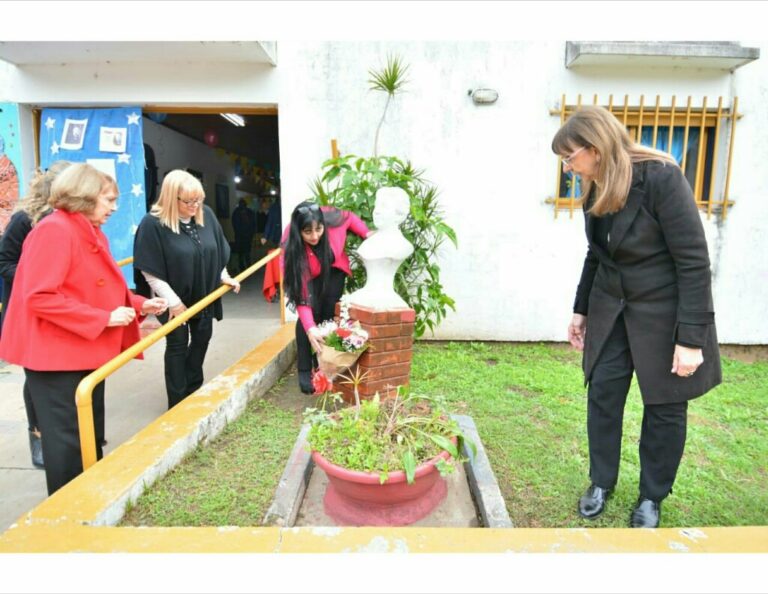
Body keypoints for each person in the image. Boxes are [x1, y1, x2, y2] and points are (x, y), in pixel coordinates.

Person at [552, 106, 722, 528]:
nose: (567, 166)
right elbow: (598, 255)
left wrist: (691, 339)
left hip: (664, 316)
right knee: (603, 395)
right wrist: (582, 308)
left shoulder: (662, 178)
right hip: (613, 310)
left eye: (569, 157)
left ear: (594, 148)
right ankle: (601, 481)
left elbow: (694, 262)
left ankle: (652, 497)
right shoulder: (594, 187)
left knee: (664, 408)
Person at [0, 163, 168, 495]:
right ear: (84, 196)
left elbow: (92, 287)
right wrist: (102, 319)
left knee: (89, 433)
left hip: (79, 350)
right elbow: (40, 297)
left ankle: (89, 496)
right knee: (66, 444)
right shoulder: (54, 230)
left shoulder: (85, 229)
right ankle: (69, 510)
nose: (114, 207)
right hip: (55, 357)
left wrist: (137, 304)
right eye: (108, 199)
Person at [133, 170, 240, 410]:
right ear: (172, 198)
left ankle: (194, 388)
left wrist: (224, 277)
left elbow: (215, 252)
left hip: (203, 292)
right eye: (188, 202)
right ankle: (177, 400)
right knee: (178, 344)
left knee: (203, 336)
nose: (195, 206)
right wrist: (173, 301)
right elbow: (150, 268)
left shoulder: (206, 215)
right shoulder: (153, 223)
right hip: (172, 296)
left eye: (198, 200)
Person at [0, 160, 71, 469]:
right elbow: (4, 262)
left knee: (64, 374)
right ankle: (38, 435)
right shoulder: (24, 220)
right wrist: (38, 276)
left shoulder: (76, 220)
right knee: (37, 375)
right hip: (31, 310)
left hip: (62, 309)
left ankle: (67, 432)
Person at [281, 201, 371, 393]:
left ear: (323, 224)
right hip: (308, 271)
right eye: (308, 232)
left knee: (329, 314)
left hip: (333, 269)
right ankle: (305, 368)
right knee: (309, 318)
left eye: (318, 229)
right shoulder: (291, 248)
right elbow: (301, 297)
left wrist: (366, 233)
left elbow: (351, 218)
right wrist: (310, 327)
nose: (314, 236)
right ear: (299, 231)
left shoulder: (333, 218)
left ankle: (324, 363)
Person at [231, 198, 256, 273]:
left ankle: (243, 267)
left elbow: (234, 225)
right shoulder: (250, 212)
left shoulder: (236, 212)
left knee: (241, 253)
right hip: (246, 235)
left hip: (240, 236)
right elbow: (253, 224)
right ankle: (248, 266)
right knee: (246, 252)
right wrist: (251, 233)